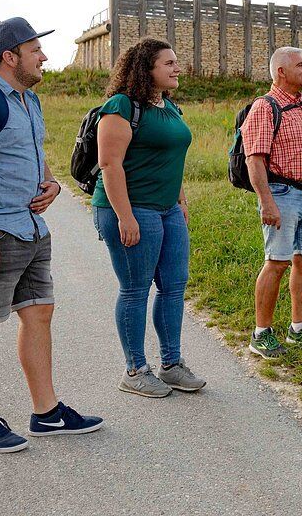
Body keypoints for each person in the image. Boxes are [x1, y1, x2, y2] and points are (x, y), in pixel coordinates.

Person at [0, 17, 103, 453]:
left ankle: (47, 412)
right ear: (10, 56)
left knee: (38, 313)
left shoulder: (28, 99)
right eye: (35, 50)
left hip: (30, 227)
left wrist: (51, 183)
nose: (44, 57)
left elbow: (30, 151)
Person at [92, 38, 204, 397]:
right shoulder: (121, 106)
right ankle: (135, 370)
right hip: (130, 207)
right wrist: (125, 216)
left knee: (174, 286)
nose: (177, 68)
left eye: (176, 61)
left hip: (168, 208)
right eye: (168, 63)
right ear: (146, 68)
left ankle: (171, 365)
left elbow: (172, 158)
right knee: (136, 288)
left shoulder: (169, 106)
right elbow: (109, 164)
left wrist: (180, 200)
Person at [241, 47, 302, 359]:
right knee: (276, 262)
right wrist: (267, 202)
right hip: (282, 195)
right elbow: (254, 159)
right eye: (300, 65)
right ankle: (261, 333)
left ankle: (298, 328)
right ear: (281, 71)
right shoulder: (265, 107)